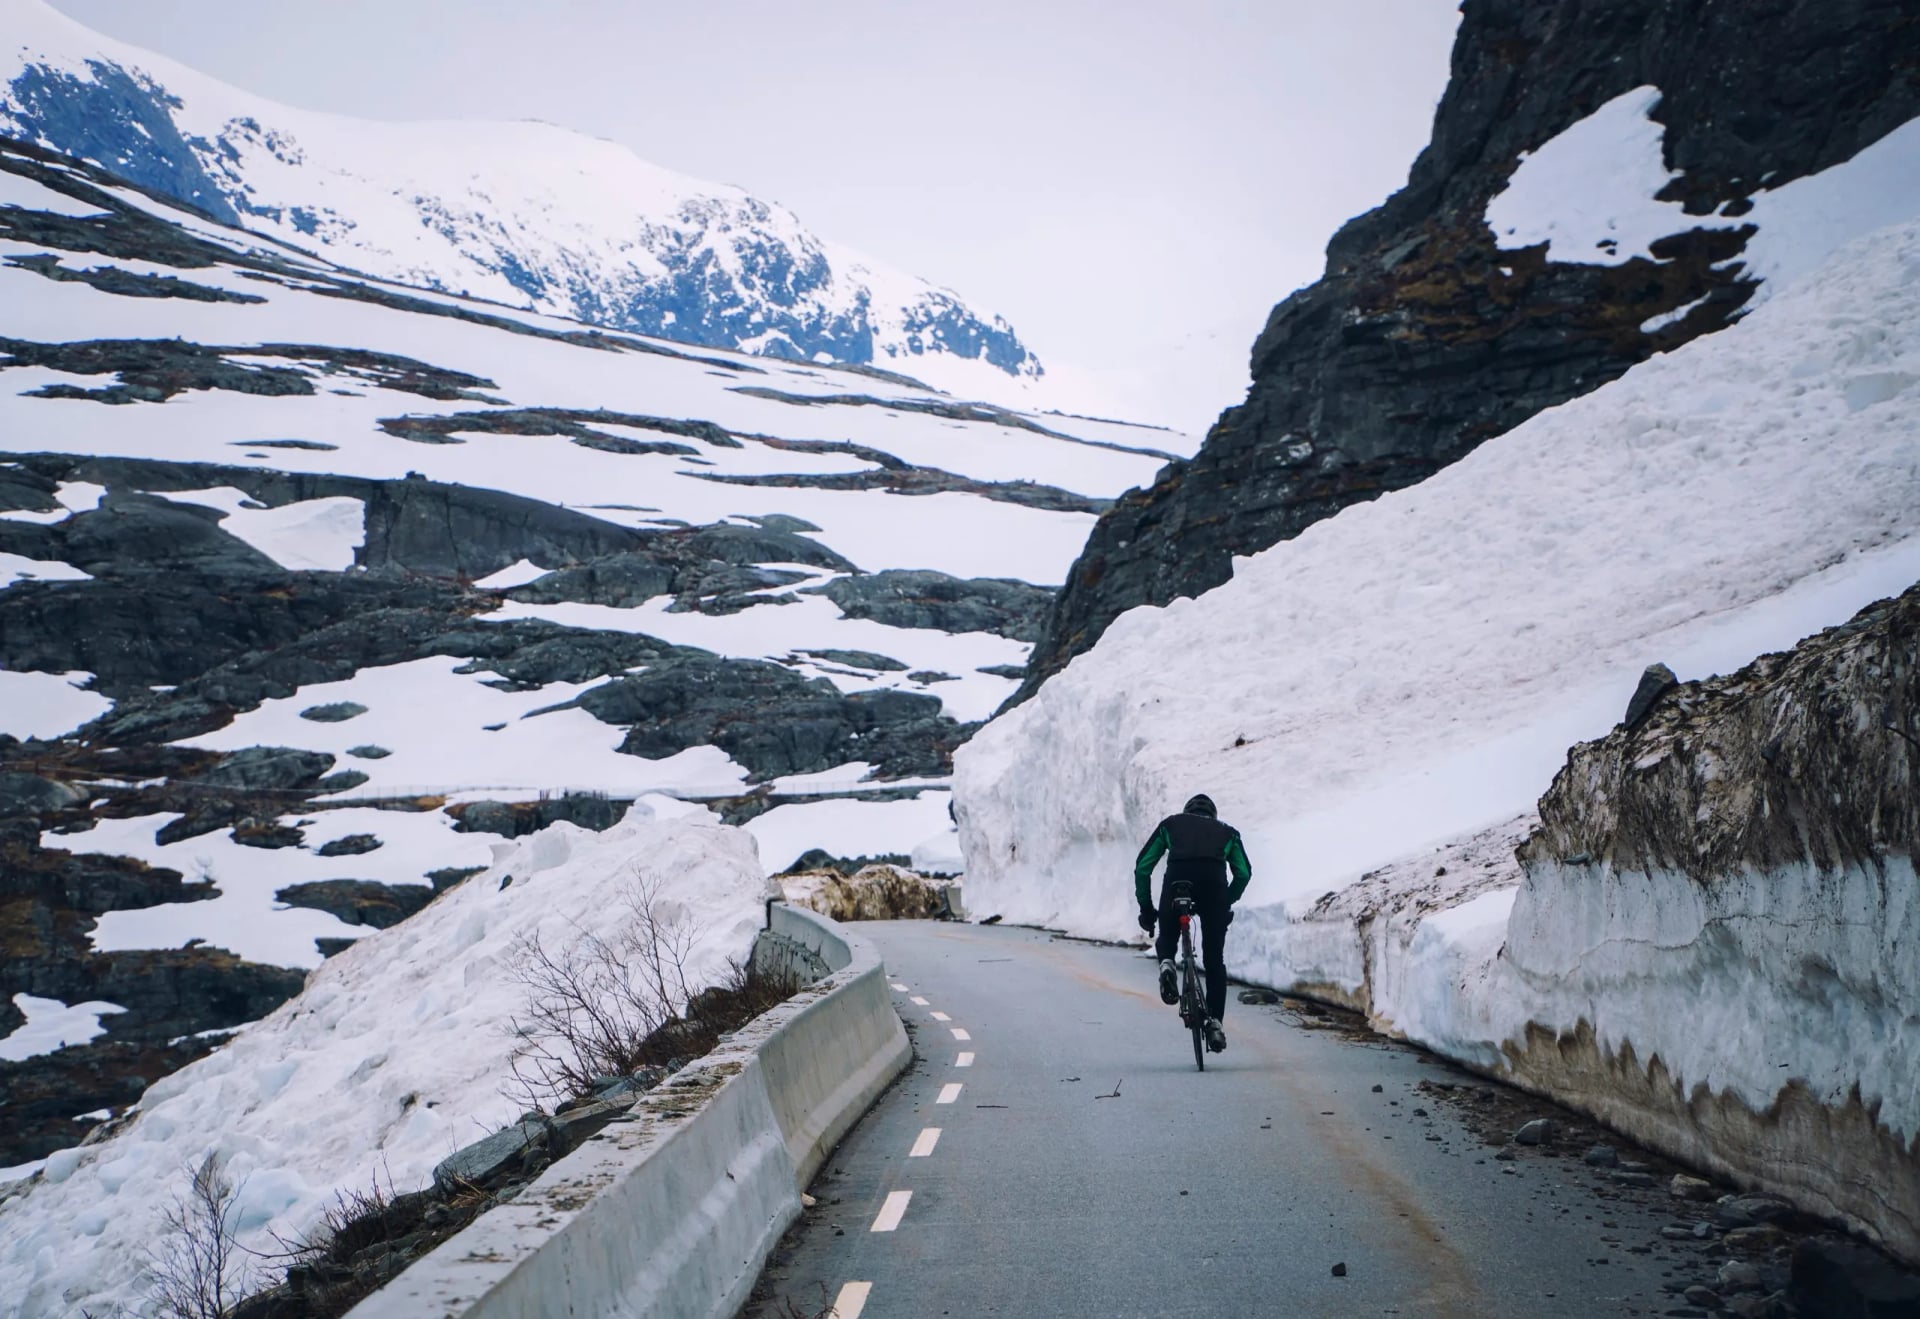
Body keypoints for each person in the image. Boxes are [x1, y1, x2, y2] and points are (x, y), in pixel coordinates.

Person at [1134, 793, 1252, 1052]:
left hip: (1178, 882)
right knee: (1213, 960)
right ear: (1213, 816)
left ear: (1187, 811)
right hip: (1214, 888)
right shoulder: (1227, 833)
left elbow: (1143, 866)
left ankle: (1167, 963)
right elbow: (1243, 873)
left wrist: (1146, 908)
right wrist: (1225, 902)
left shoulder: (1171, 824)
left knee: (1168, 934)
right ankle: (1216, 1024)